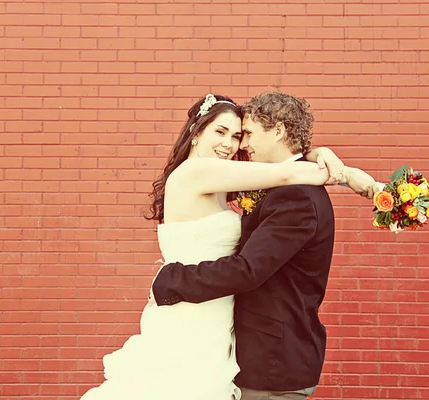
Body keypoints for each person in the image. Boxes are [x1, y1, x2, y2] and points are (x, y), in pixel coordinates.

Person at [81, 93, 377, 400]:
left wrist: (317, 154)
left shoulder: (247, 184)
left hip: (224, 324)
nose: (234, 145)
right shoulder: (197, 172)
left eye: (239, 135)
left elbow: (286, 173)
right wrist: (345, 174)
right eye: (220, 132)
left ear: (277, 131)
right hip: (195, 312)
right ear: (196, 133)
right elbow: (287, 171)